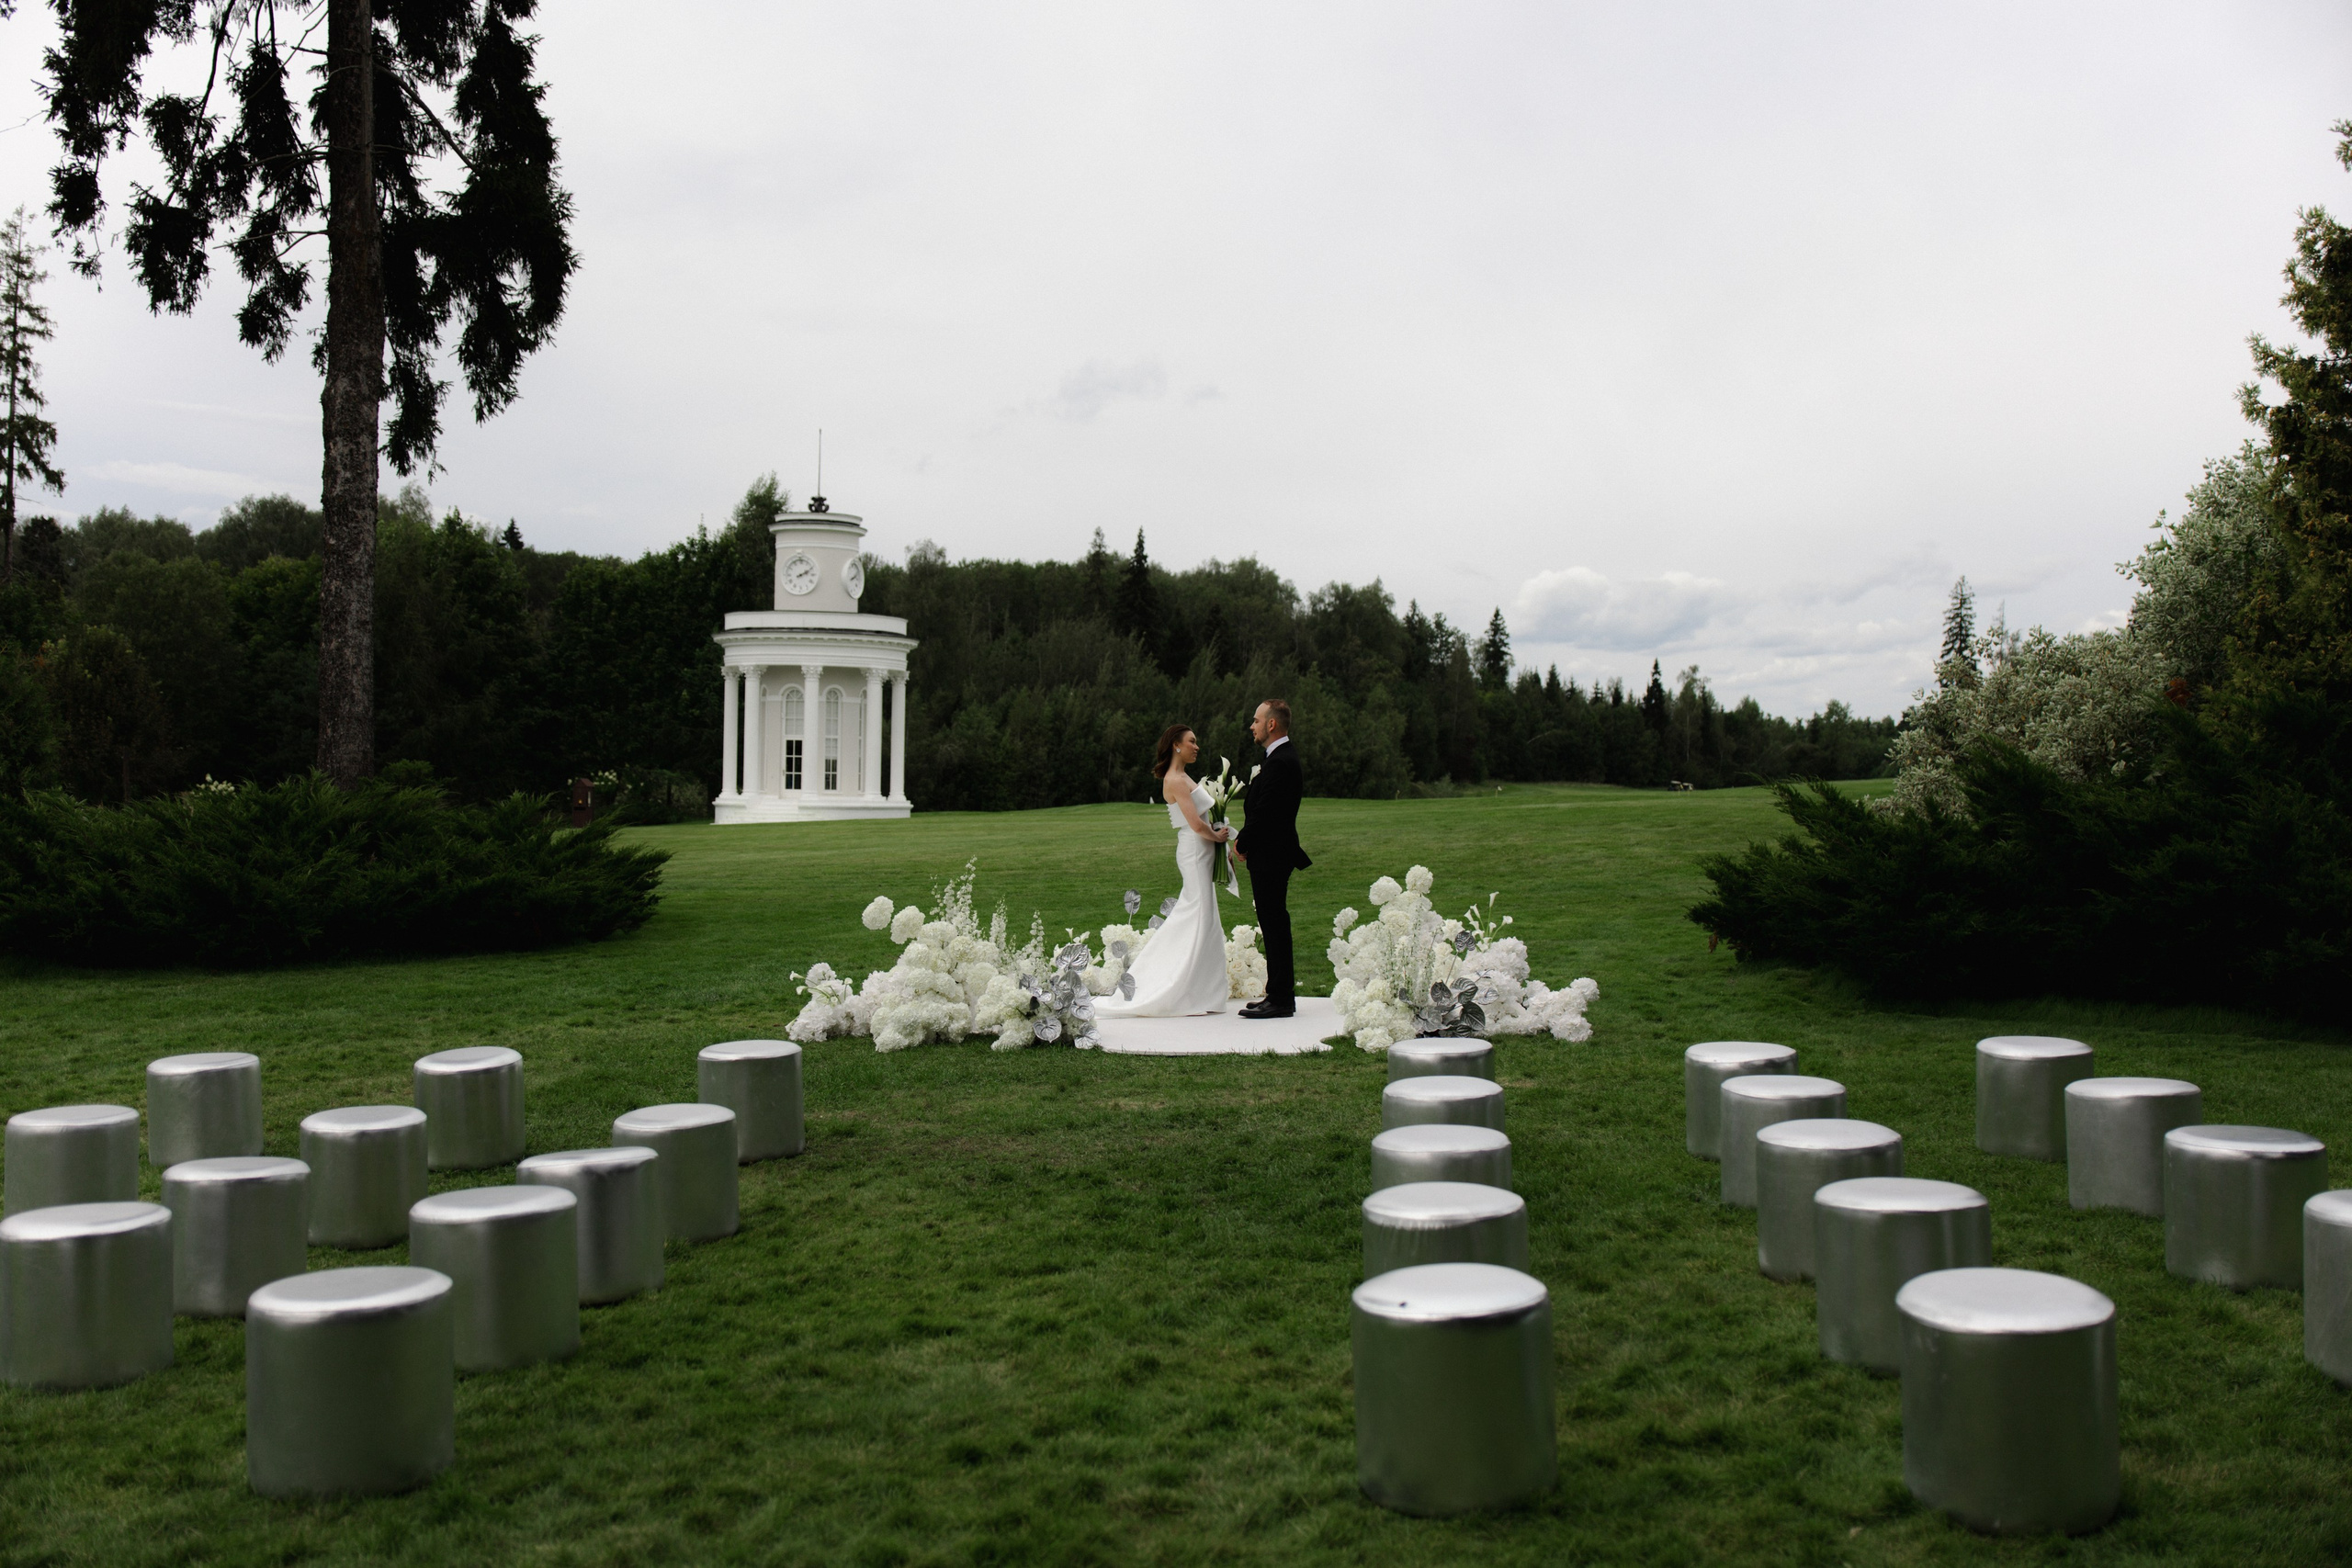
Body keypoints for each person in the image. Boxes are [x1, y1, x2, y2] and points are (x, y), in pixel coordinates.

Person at [1095, 724, 1237, 1018]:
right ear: (1176, 745)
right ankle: (1168, 982)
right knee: (1196, 914)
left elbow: (1204, 819)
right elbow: (1196, 824)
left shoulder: (1185, 776)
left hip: (1203, 850)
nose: (1197, 747)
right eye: (1192, 742)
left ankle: (1202, 990)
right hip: (1195, 850)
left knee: (1205, 918)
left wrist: (1220, 848)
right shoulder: (1174, 780)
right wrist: (1219, 838)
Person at [1231, 698, 1310, 1019]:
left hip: (1272, 854)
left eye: (1256, 720)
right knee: (1272, 921)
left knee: (1274, 922)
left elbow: (1266, 812)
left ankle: (1280, 998)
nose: (1252, 725)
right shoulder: (1279, 759)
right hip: (1270, 853)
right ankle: (1277, 993)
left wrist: (1242, 841)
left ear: (1271, 724)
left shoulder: (1280, 762)